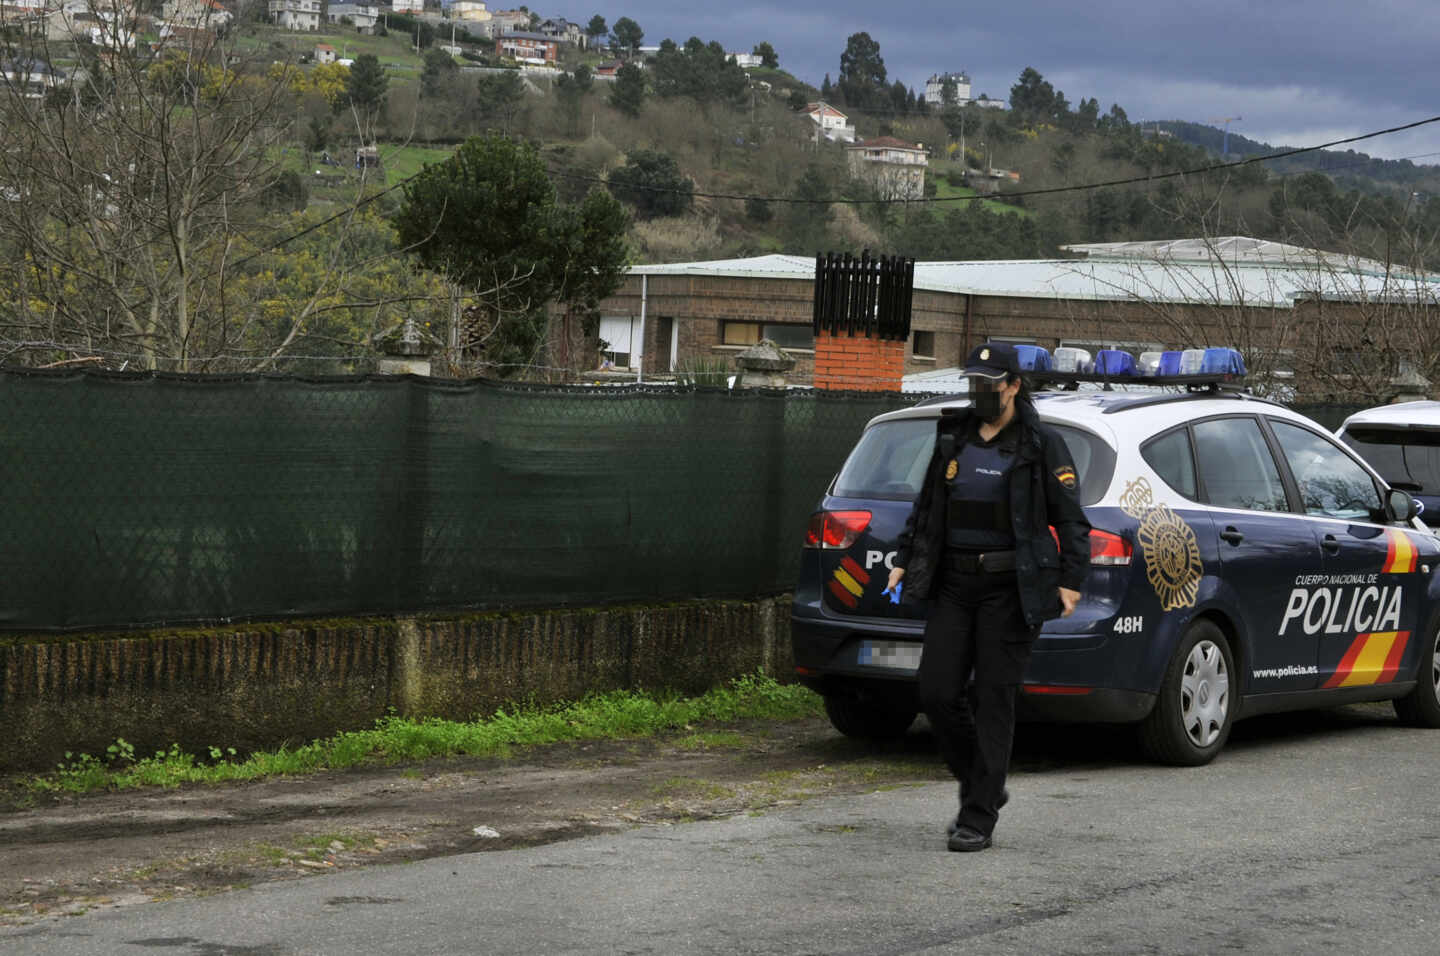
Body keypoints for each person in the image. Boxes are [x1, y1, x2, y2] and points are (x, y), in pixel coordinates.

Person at [886, 342, 1090, 852]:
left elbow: (1070, 519)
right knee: (936, 691)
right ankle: (987, 783)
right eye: (973, 383)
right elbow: (927, 507)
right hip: (954, 584)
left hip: (1010, 587)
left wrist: (1070, 581)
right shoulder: (953, 437)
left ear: (1014, 386)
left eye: (989, 384)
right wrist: (903, 557)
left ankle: (977, 816)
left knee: (993, 698)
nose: (980, 392)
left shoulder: (1042, 443)